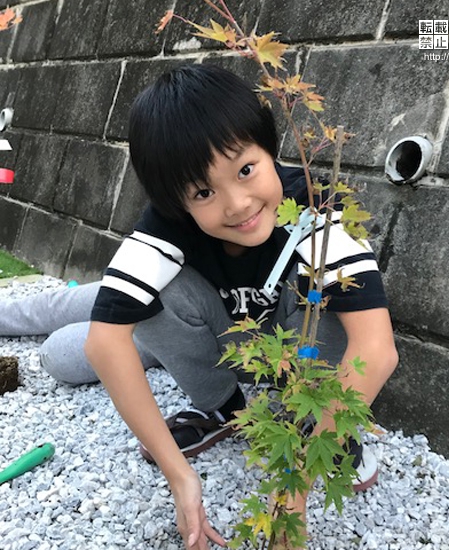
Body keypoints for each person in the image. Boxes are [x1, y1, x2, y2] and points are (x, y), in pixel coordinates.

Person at [0, 64, 398, 549]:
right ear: (177, 203)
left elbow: (376, 350)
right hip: (212, 327)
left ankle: (172, 349)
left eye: (246, 169)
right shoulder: (167, 224)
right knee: (62, 354)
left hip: (266, 337)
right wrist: (180, 477)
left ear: (269, 150)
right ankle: (220, 403)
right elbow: (104, 345)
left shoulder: (314, 208)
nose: (237, 204)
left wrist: (297, 483)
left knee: (103, 327)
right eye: (204, 192)